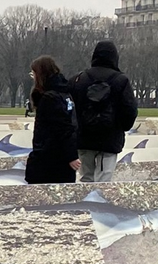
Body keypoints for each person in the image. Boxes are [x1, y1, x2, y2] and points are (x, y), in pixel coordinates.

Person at [69, 41, 135, 180]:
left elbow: (70, 108)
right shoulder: (121, 80)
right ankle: (100, 199)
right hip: (110, 137)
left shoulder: (78, 79)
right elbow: (130, 109)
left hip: (84, 136)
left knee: (86, 176)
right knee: (105, 178)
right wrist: (122, 127)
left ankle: (88, 200)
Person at [25, 56, 79, 183]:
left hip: (48, 157)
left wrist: (71, 156)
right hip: (58, 156)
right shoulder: (65, 95)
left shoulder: (50, 98)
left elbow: (62, 128)